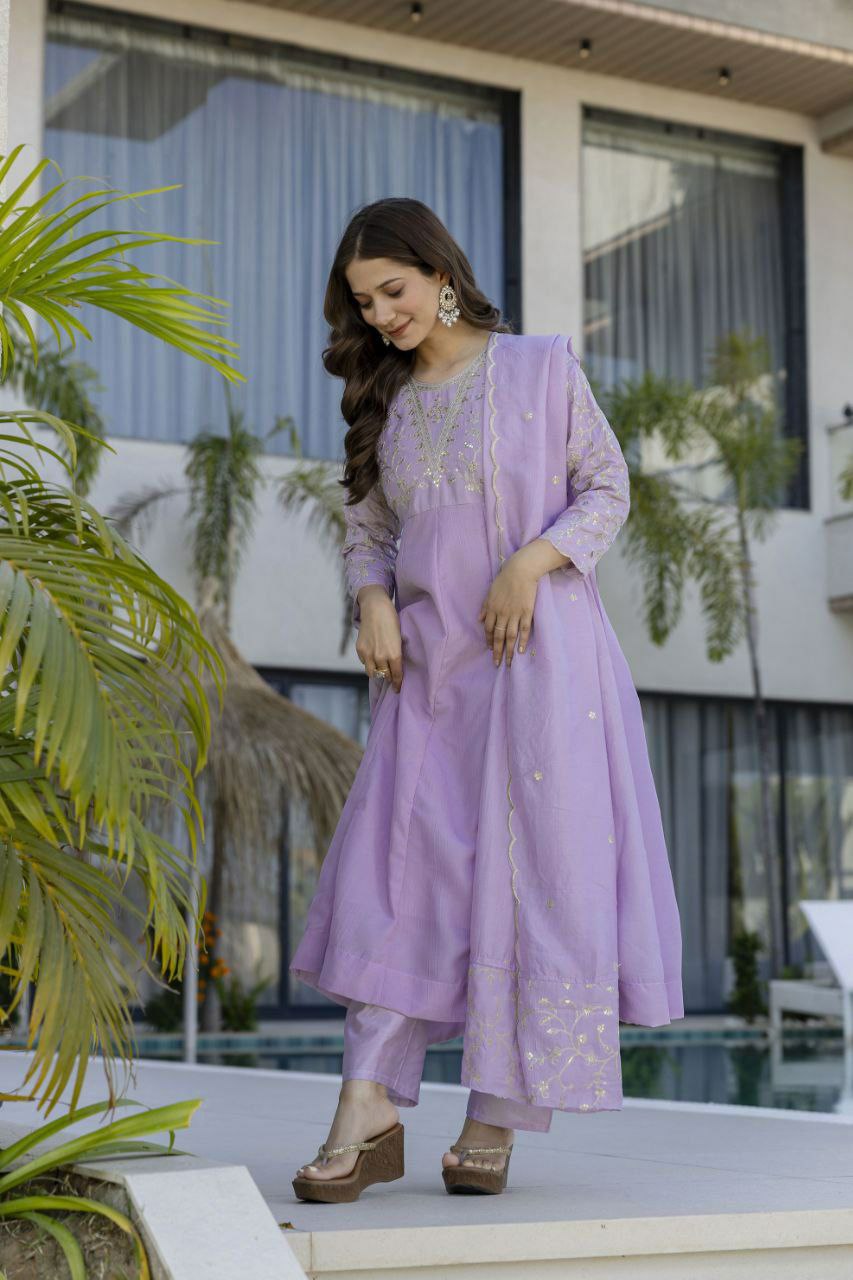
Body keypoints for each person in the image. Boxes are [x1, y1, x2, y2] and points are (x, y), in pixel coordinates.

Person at [289, 197, 684, 1201]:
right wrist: (371, 600)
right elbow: (369, 532)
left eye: (392, 290)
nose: (380, 316)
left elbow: (606, 486)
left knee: (530, 876)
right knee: (400, 877)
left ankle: (495, 1115)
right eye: (362, 303)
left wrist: (528, 563)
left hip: (540, 664)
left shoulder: (540, 368)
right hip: (430, 674)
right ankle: (367, 1104)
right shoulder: (386, 400)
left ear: (440, 274)